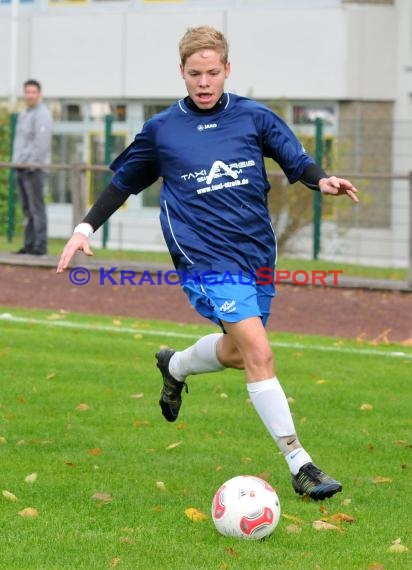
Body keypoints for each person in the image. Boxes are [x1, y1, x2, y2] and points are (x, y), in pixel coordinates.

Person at [57, 26, 359, 500]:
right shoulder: (162, 130)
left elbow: (295, 159)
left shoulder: (254, 117)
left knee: (240, 352)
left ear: (227, 70)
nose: (203, 82)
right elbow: (123, 184)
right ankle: (301, 464)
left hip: (256, 251)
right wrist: (83, 229)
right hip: (203, 255)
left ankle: (175, 366)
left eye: (212, 73)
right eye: (194, 73)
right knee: (259, 351)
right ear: (181, 72)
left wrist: (321, 180)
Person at [12, 79, 53, 255]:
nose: (30, 95)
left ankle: (39, 246)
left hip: (34, 169)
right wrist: (18, 162)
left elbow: (41, 145)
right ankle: (29, 244)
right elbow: (21, 142)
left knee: (37, 208)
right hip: (21, 167)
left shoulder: (43, 114)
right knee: (27, 209)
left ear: (39, 94)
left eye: (33, 92)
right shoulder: (24, 114)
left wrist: (30, 164)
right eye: (27, 92)